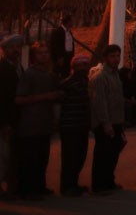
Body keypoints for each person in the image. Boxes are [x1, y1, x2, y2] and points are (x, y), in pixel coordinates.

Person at [16, 41, 61, 199]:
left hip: (45, 122)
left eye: (46, 52)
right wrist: (45, 97)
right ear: (34, 56)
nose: (44, 55)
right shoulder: (29, 75)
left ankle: (40, 186)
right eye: (40, 53)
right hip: (31, 124)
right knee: (30, 159)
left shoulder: (50, 75)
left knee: (43, 158)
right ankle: (28, 190)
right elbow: (19, 99)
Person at [89, 44, 126, 196]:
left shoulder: (115, 74)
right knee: (102, 154)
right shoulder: (100, 77)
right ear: (105, 58)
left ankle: (108, 181)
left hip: (117, 120)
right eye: (112, 56)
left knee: (112, 154)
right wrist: (106, 123)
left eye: (117, 56)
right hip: (105, 122)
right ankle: (98, 184)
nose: (116, 59)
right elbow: (100, 102)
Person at [59, 53, 92, 196]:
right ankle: (67, 186)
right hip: (70, 126)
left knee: (80, 156)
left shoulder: (86, 82)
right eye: (80, 65)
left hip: (82, 125)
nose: (83, 68)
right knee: (70, 157)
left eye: (85, 65)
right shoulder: (67, 83)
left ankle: (73, 183)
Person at [0, 34, 25, 198]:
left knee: (12, 155)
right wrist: (4, 122)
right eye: (12, 48)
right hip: (6, 119)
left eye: (18, 47)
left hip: (16, 117)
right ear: (4, 50)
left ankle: (12, 186)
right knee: (3, 156)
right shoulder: (3, 68)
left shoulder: (19, 67)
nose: (16, 50)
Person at [49, 13, 75, 79]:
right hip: (62, 57)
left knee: (67, 73)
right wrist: (59, 57)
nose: (72, 22)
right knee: (61, 74)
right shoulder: (58, 31)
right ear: (68, 21)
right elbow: (55, 45)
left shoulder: (69, 32)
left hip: (69, 56)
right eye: (71, 21)